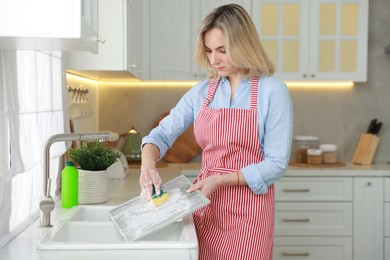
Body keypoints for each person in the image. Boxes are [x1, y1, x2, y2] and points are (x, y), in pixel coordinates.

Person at [140, 4, 293, 260]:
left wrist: (219, 180)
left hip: (250, 211)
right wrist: (147, 165)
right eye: (209, 51)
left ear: (244, 44)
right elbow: (160, 135)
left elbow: (276, 164)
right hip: (206, 205)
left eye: (222, 50)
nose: (213, 60)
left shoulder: (273, 91)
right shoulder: (202, 92)